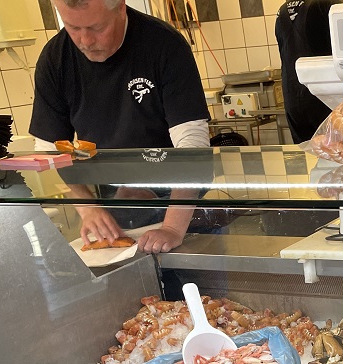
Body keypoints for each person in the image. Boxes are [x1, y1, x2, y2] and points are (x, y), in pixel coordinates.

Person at [30, 0, 210, 253]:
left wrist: (172, 228)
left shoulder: (164, 44)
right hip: (111, 206)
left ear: (121, 8)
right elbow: (50, 152)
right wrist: (88, 208)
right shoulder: (55, 58)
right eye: (73, 28)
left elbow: (193, 145)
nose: (85, 41)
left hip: (182, 206)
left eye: (97, 28)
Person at [276, 0, 343, 144]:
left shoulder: (282, 12)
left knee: (305, 150)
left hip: (292, 96)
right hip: (322, 95)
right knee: (335, 149)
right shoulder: (325, 4)